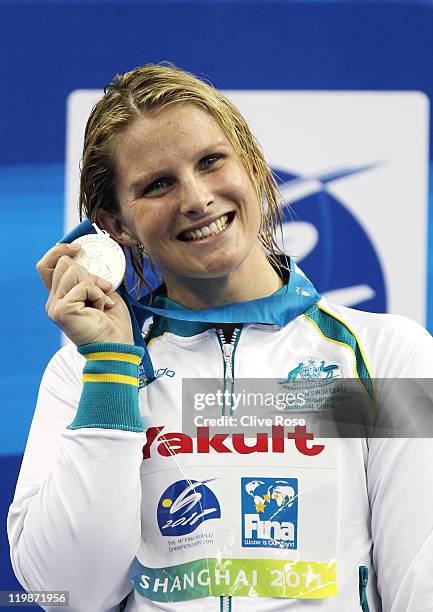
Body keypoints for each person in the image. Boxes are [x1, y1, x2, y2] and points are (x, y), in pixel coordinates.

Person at [7, 63, 433, 612]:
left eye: (211, 161)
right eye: (157, 185)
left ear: (251, 165)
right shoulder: (85, 375)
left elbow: (422, 582)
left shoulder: (384, 356)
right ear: (114, 227)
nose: (197, 198)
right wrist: (111, 366)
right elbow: (69, 592)